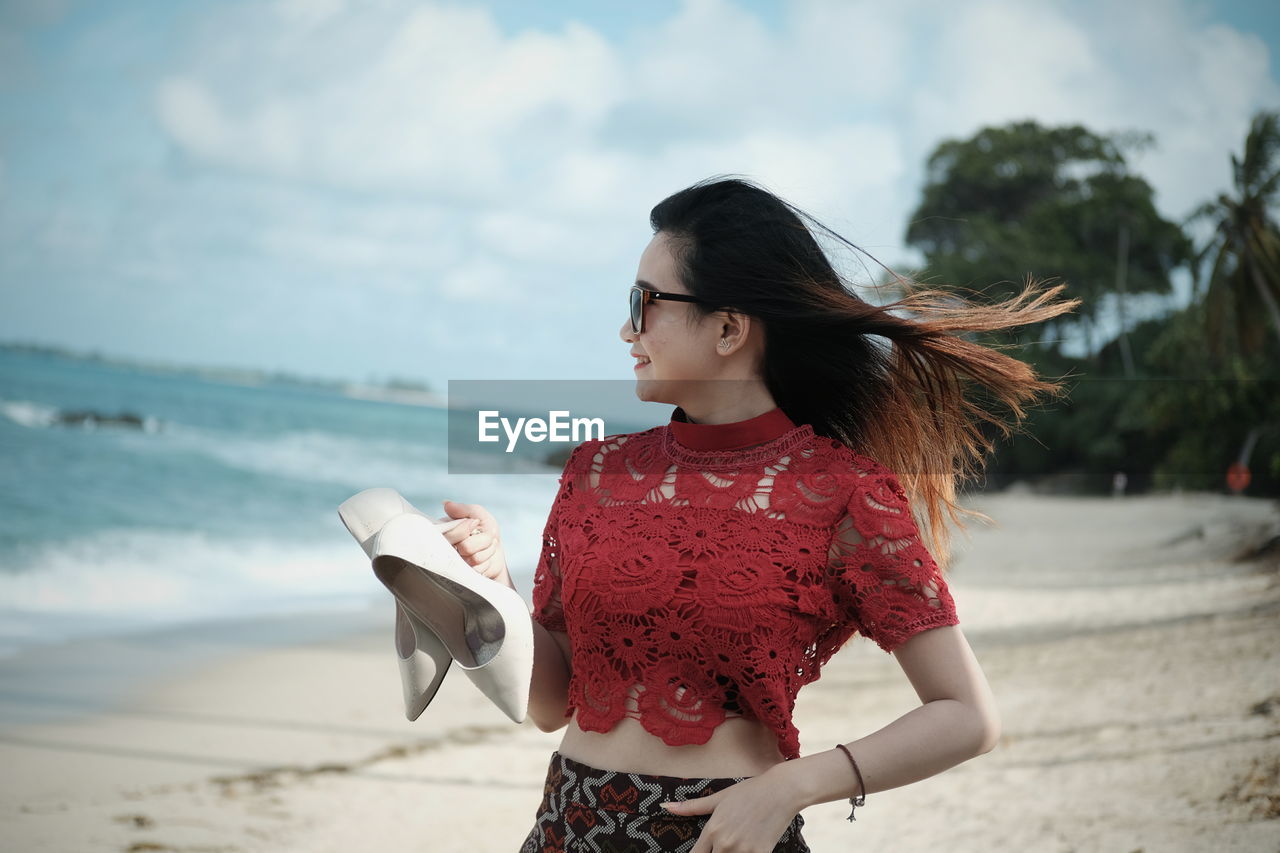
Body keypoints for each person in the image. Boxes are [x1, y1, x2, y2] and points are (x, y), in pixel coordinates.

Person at [442, 175, 1080, 852]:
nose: (627, 329)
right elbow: (550, 703)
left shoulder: (843, 494)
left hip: (727, 839)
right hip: (567, 831)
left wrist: (792, 786)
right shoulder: (596, 473)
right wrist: (490, 589)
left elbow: (967, 715)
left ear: (728, 327)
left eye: (645, 302)